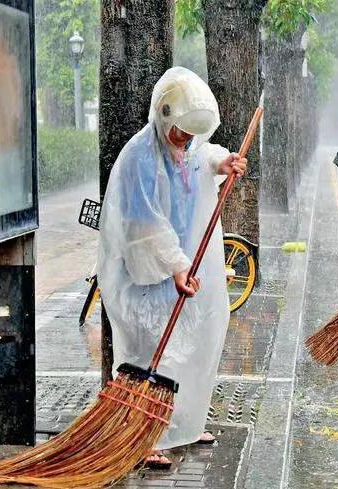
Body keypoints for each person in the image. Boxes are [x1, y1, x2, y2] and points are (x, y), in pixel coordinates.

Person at [97, 67, 247, 467]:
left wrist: (224, 162)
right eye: (180, 131)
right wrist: (178, 265)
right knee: (149, 353)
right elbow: (145, 223)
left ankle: (184, 424)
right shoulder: (139, 158)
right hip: (147, 276)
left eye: (191, 133)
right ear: (163, 116)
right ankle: (144, 438)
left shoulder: (187, 147)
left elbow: (203, 158)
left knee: (187, 348)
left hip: (180, 272)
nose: (185, 140)